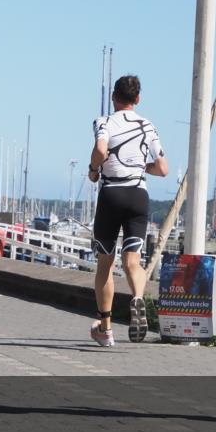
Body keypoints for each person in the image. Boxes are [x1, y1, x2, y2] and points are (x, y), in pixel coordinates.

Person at [87, 75, 168, 346]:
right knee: (133, 261)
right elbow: (163, 168)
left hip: (112, 195)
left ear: (114, 96)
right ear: (138, 99)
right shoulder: (149, 125)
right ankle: (137, 298)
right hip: (138, 195)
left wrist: (93, 169)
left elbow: (100, 149)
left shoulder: (104, 122)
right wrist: (141, 167)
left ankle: (106, 329)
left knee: (105, 264)